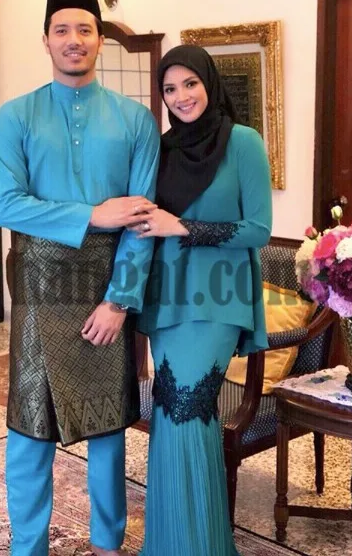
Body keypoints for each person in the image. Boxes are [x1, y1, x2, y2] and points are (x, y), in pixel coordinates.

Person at [0, 0, 160, 555]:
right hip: (40, 286)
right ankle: (28, 547)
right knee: (29, 426)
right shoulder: (15, 116)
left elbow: (142, 221)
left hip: (107, 286)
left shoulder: (136, 121)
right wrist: (93, 214)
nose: (73, 39)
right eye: (61, 29)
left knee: (108, 429)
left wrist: (119, 301)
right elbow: (6, 205)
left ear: (100, 39)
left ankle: (107, 543)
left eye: (84, 28)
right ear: (46, 40)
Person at [132, 45, 273, 556]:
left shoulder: (243, 142)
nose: (181, 96)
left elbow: (258, 229)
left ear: (209, 83)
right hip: (166, 301)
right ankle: (176, 544)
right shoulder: (162, 149)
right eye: (170, 89)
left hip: (217, 301)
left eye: (190, 83)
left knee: (189, 413)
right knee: (171, 418)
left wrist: (184, 227)